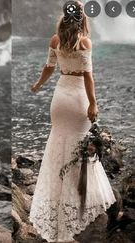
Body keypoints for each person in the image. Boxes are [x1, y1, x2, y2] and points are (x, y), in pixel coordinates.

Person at [29, 1, 116, 242]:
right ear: (82, 17)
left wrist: (38, 85)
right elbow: (89, 77)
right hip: (77, 97)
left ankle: (58, 199)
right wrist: (93, 103)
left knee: (59, 144)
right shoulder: (85, 42)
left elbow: (49, 67)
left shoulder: (55, 39)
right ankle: (81, 199)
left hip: (59, 97)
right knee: (80, 145)